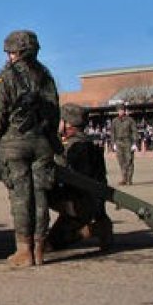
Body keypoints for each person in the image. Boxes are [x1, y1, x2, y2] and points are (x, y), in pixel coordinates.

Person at [0, 30, 60, 267]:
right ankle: (39, 249)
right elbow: (54, 111)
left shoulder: (6, 77)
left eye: (9, 52)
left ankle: (23, 250)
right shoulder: (45, 75)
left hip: (14, 142)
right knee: (40, 196)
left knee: (21, 197)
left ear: (14, 52)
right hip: (41, 142)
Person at [48, 103, 113, 250]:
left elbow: (57, 172)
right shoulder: (89, 143)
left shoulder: (70, 146)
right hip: (95, 204)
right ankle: (102, 223)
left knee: (36, 192)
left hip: (78, 205)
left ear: (67, 123)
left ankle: (94, 230)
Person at [111, 105, 137, 185]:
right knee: (121, 161)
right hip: (118, 142)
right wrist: (113, 143)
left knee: (129, 161)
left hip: (128, 142)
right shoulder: (115, 121)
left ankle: (129, 179)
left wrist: (134, 143)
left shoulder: (130, 120)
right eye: (119, 110)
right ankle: (124, 179)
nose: (120, 111)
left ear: (124, 111)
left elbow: (134, 131)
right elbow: (112, 133)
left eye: (122, 110)